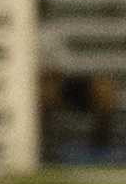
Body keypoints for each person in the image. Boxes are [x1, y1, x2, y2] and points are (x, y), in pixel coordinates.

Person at [38, 15, 119, 159]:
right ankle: (40, 148)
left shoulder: (49, 33)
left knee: (104, 88)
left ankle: (100, 149)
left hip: (60, 82)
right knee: (45, 91)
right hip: (29, 88)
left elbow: (61, 67)